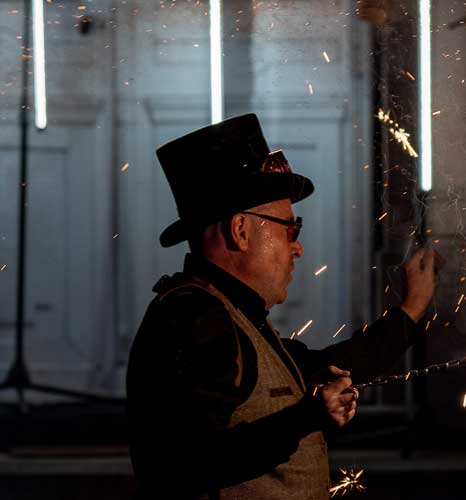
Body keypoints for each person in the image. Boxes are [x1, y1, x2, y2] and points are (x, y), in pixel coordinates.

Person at [126, 114, 437, 500]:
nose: (298, 247)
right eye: (290, 228)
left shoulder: (232, 317)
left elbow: (333, 363)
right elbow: (189, 461)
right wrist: (306, 418)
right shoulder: (195, 319)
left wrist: (413, 307)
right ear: (240, 230)